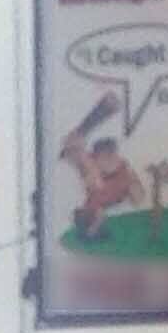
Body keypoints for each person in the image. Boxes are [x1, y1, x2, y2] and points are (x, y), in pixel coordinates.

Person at [55, 94, 144, 240]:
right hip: (105, 186)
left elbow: (138, 196)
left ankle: (91, 230)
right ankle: (91, 231)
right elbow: (71, 148)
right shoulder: (93, 169)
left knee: (94, 177)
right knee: (94, 178)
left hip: (109, 184)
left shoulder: (114, 171)